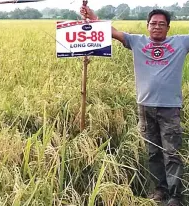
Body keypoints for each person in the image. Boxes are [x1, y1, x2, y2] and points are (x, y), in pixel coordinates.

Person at [80, 6, 189, 206]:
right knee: (153, 151)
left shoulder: (181, 42)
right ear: (147, 26)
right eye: (153, 23)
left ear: (168, 28)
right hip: (145, 107)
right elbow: (111, 32)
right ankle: (159, 191)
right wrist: (93, 17)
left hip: (170, 108)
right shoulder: (136, 41)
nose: (157, 27)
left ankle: (176, 196)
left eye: (162, 24)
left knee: (171, 153)